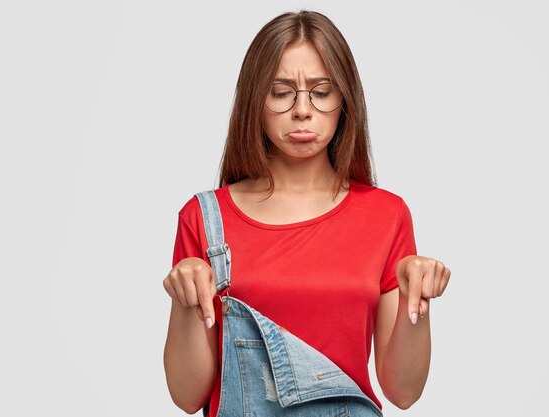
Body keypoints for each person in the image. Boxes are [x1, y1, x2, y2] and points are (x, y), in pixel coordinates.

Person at [162, 9, 451, 416]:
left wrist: (416, 302)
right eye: (281, 92)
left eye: (321, 91)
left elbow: (403, 391)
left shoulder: (387, 215)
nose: (302, 110)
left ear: (345, 99)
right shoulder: (205, 219)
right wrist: (184, 300)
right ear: (254, 101)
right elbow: (187, 396)